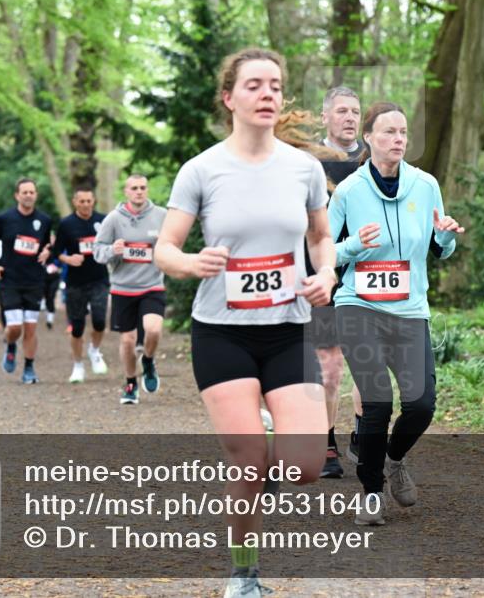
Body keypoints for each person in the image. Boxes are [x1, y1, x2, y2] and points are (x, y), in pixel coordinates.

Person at [153, 47, 335, 598]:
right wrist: (191, 263)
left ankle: (269, 438)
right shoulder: (202, 170)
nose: (268, 95)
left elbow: (320, 236)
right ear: (229, 98)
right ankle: (244, 574)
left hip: (286, 330)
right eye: (255, 85)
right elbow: (165, 247)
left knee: (303, 468)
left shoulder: (304, 169)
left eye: (275, 86)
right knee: (250, 460)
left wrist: (326, 274)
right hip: (222, 332)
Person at [328, 101, 464, 526]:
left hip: (409, 309)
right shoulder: (348, 192)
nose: (398, 140)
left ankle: (393, 458)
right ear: (368, 138)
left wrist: (445, 238)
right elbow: (322, 254)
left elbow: (442, 247)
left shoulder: (425, 186)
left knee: (422, 405)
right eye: (388, 132)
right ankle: (370, 493)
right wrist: (353, 247)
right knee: (376, 402)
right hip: (358, 306)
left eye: (403, 132)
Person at [308, 86, 368, 478]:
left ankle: (364, 436)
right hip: (324, 272)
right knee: (330, 368)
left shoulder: (373, 157)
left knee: (367, 362)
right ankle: (326, 444)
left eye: (356, 112)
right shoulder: (308, 161)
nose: (350, 118)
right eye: (342, 111)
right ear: (326, 116)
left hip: (369, 273)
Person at [94, 174, 167, 404]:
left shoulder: (161, 216)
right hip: (123, 288)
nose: (139, 191)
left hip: (152, 285)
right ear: (126, 191)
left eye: (143, 187)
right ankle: (130, 383)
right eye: (134, 188)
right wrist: (112, 251)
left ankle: (147, 359)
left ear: (147, 190)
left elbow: (172, 243)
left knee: (153, 330)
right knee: (127, 341)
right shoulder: (114, 219)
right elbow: (98, 251)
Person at [0, 178, 54, 384]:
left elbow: (46, 246)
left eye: (32, 192)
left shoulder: (44, 220)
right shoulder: (4, 218)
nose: (28, 195)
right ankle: (10, 345)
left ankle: (29, 368)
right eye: (24, 192)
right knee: (15, 327)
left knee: (31, 328)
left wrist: (47, 252)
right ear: (17, 195)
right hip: (10, 280)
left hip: (34, 280)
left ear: (36, 195)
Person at [52, 187, 110, 384]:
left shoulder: (103, 220)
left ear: (94, 201)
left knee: (100, 320)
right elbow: (56, 252)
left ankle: (94, 351)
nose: (86, 205)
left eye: (89, 201)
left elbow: (111, 245)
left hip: (99, 279)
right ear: (75, 202)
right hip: (75, 283)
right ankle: (77, 365)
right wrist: (68, 259)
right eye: (81, 201)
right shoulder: (67, 224)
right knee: (77, 327)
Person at [41, 247, 61, 330]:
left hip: (55, 278)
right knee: (46, 296)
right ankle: (48, 314)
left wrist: (58, 268)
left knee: (51, 296)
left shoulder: (57, 249)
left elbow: (62, 263)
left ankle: (50, 320)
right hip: (43, 278)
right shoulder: (41, 248)